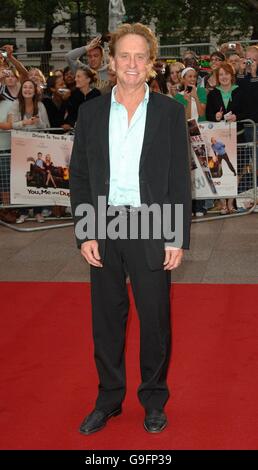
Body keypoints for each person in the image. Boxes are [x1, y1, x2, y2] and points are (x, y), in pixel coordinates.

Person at [70, 22, 191, 435]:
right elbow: (81, 174)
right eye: (125, 55)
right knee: (106, 317)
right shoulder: (90, 111)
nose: (132, 63)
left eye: (140, 56)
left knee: (155, 317)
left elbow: (179, 179)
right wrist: (86, 230)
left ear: (152, 63)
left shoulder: (171, 112)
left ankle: (154, 398)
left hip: (151, 221)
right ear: (112, 61)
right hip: (103, 221)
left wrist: (175, 235)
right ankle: (109, 399)